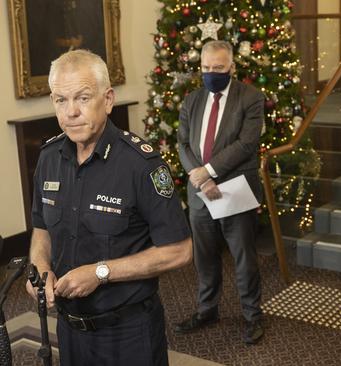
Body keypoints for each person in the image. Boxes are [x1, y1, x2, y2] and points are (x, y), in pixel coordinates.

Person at [27, 49, 193, 365]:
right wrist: (41, 269)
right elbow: (41, 229)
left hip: (128, 332)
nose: (71, 111)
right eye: (61, 100)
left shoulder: (141, 165)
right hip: (69, 330)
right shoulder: (49, 158)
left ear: (108, 100)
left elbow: (180, 250)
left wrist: (101, 272)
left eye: (83, 98)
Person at [175, 40, 265, 344]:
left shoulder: (251, 97)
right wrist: (201, 179)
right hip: (201, 191)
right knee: (205, 256)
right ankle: (207, 309)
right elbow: (183, 144)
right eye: (206, 68)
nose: (211, 73)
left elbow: (246, 144)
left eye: (219, 68)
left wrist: (209, 172)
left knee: (243, 256)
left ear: (232, 67)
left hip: (235, 188)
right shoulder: (191, 100)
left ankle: (253, 315)